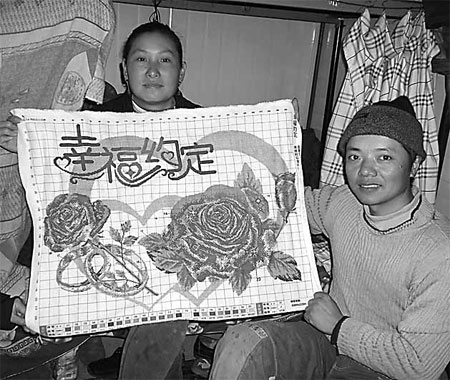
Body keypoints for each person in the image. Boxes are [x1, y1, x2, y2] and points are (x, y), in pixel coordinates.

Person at [209, 96, 450, 380]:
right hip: (327, 343)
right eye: (354, 156)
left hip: (384, 369)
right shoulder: (343, 201)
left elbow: (420, 365)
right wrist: (278, 136)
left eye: (384, 157)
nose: (365, 170)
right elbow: (287, 206)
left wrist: (339, 327)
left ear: (414, 165)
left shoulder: (438, 252)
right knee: (244, 342)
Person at [84, 20, 201, 380]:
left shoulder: (203, 124)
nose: (152, 70)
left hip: (177, 246)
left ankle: (147, 355)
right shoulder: (90, 124)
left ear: (181, 71)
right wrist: (23, 143)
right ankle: (128, 350)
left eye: (165, 60)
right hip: (117, 244)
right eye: (140, 60)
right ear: (124, 69)